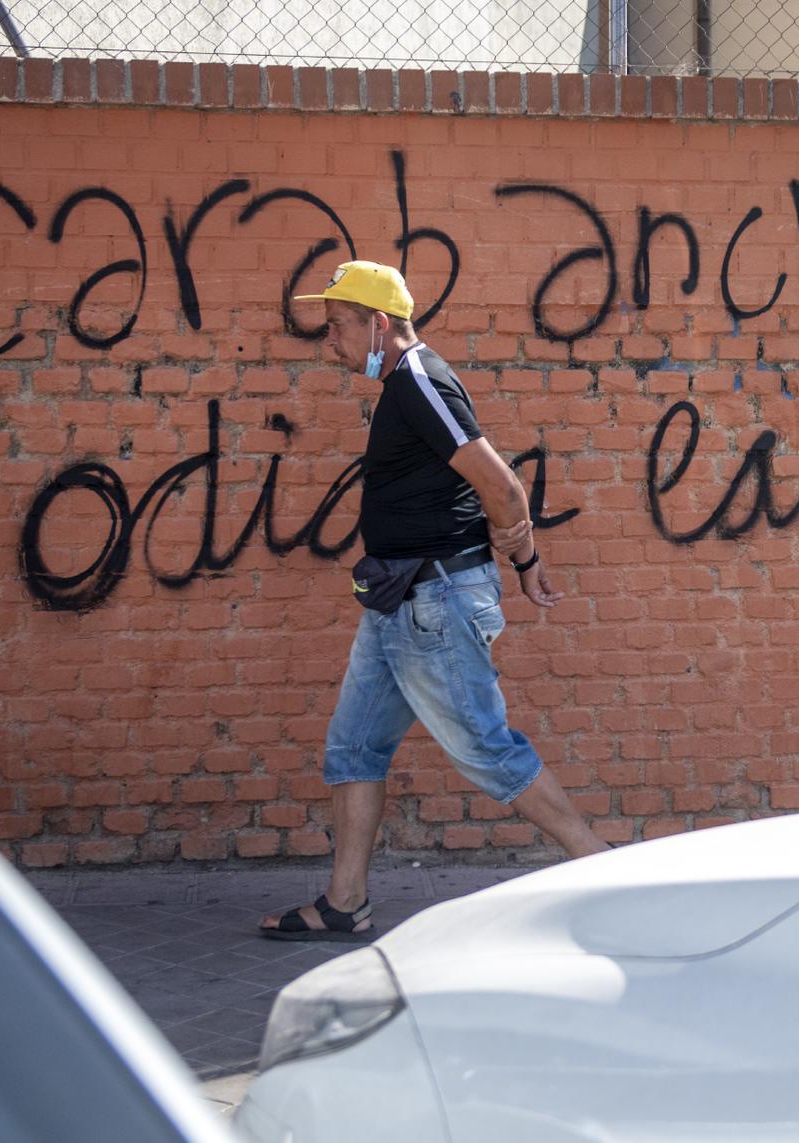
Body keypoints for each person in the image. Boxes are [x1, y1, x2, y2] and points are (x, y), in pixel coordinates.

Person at [260, 260, 606, 942]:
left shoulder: (419, 379)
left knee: (485, 748)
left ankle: (604, 869)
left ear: (378, 324)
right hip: (401, 602)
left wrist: (526, 560)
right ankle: (345, 902)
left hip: (435, 602)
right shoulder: (403, 384)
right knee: (355, 747)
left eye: (338, 325)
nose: (330, 341)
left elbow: (501, 488)